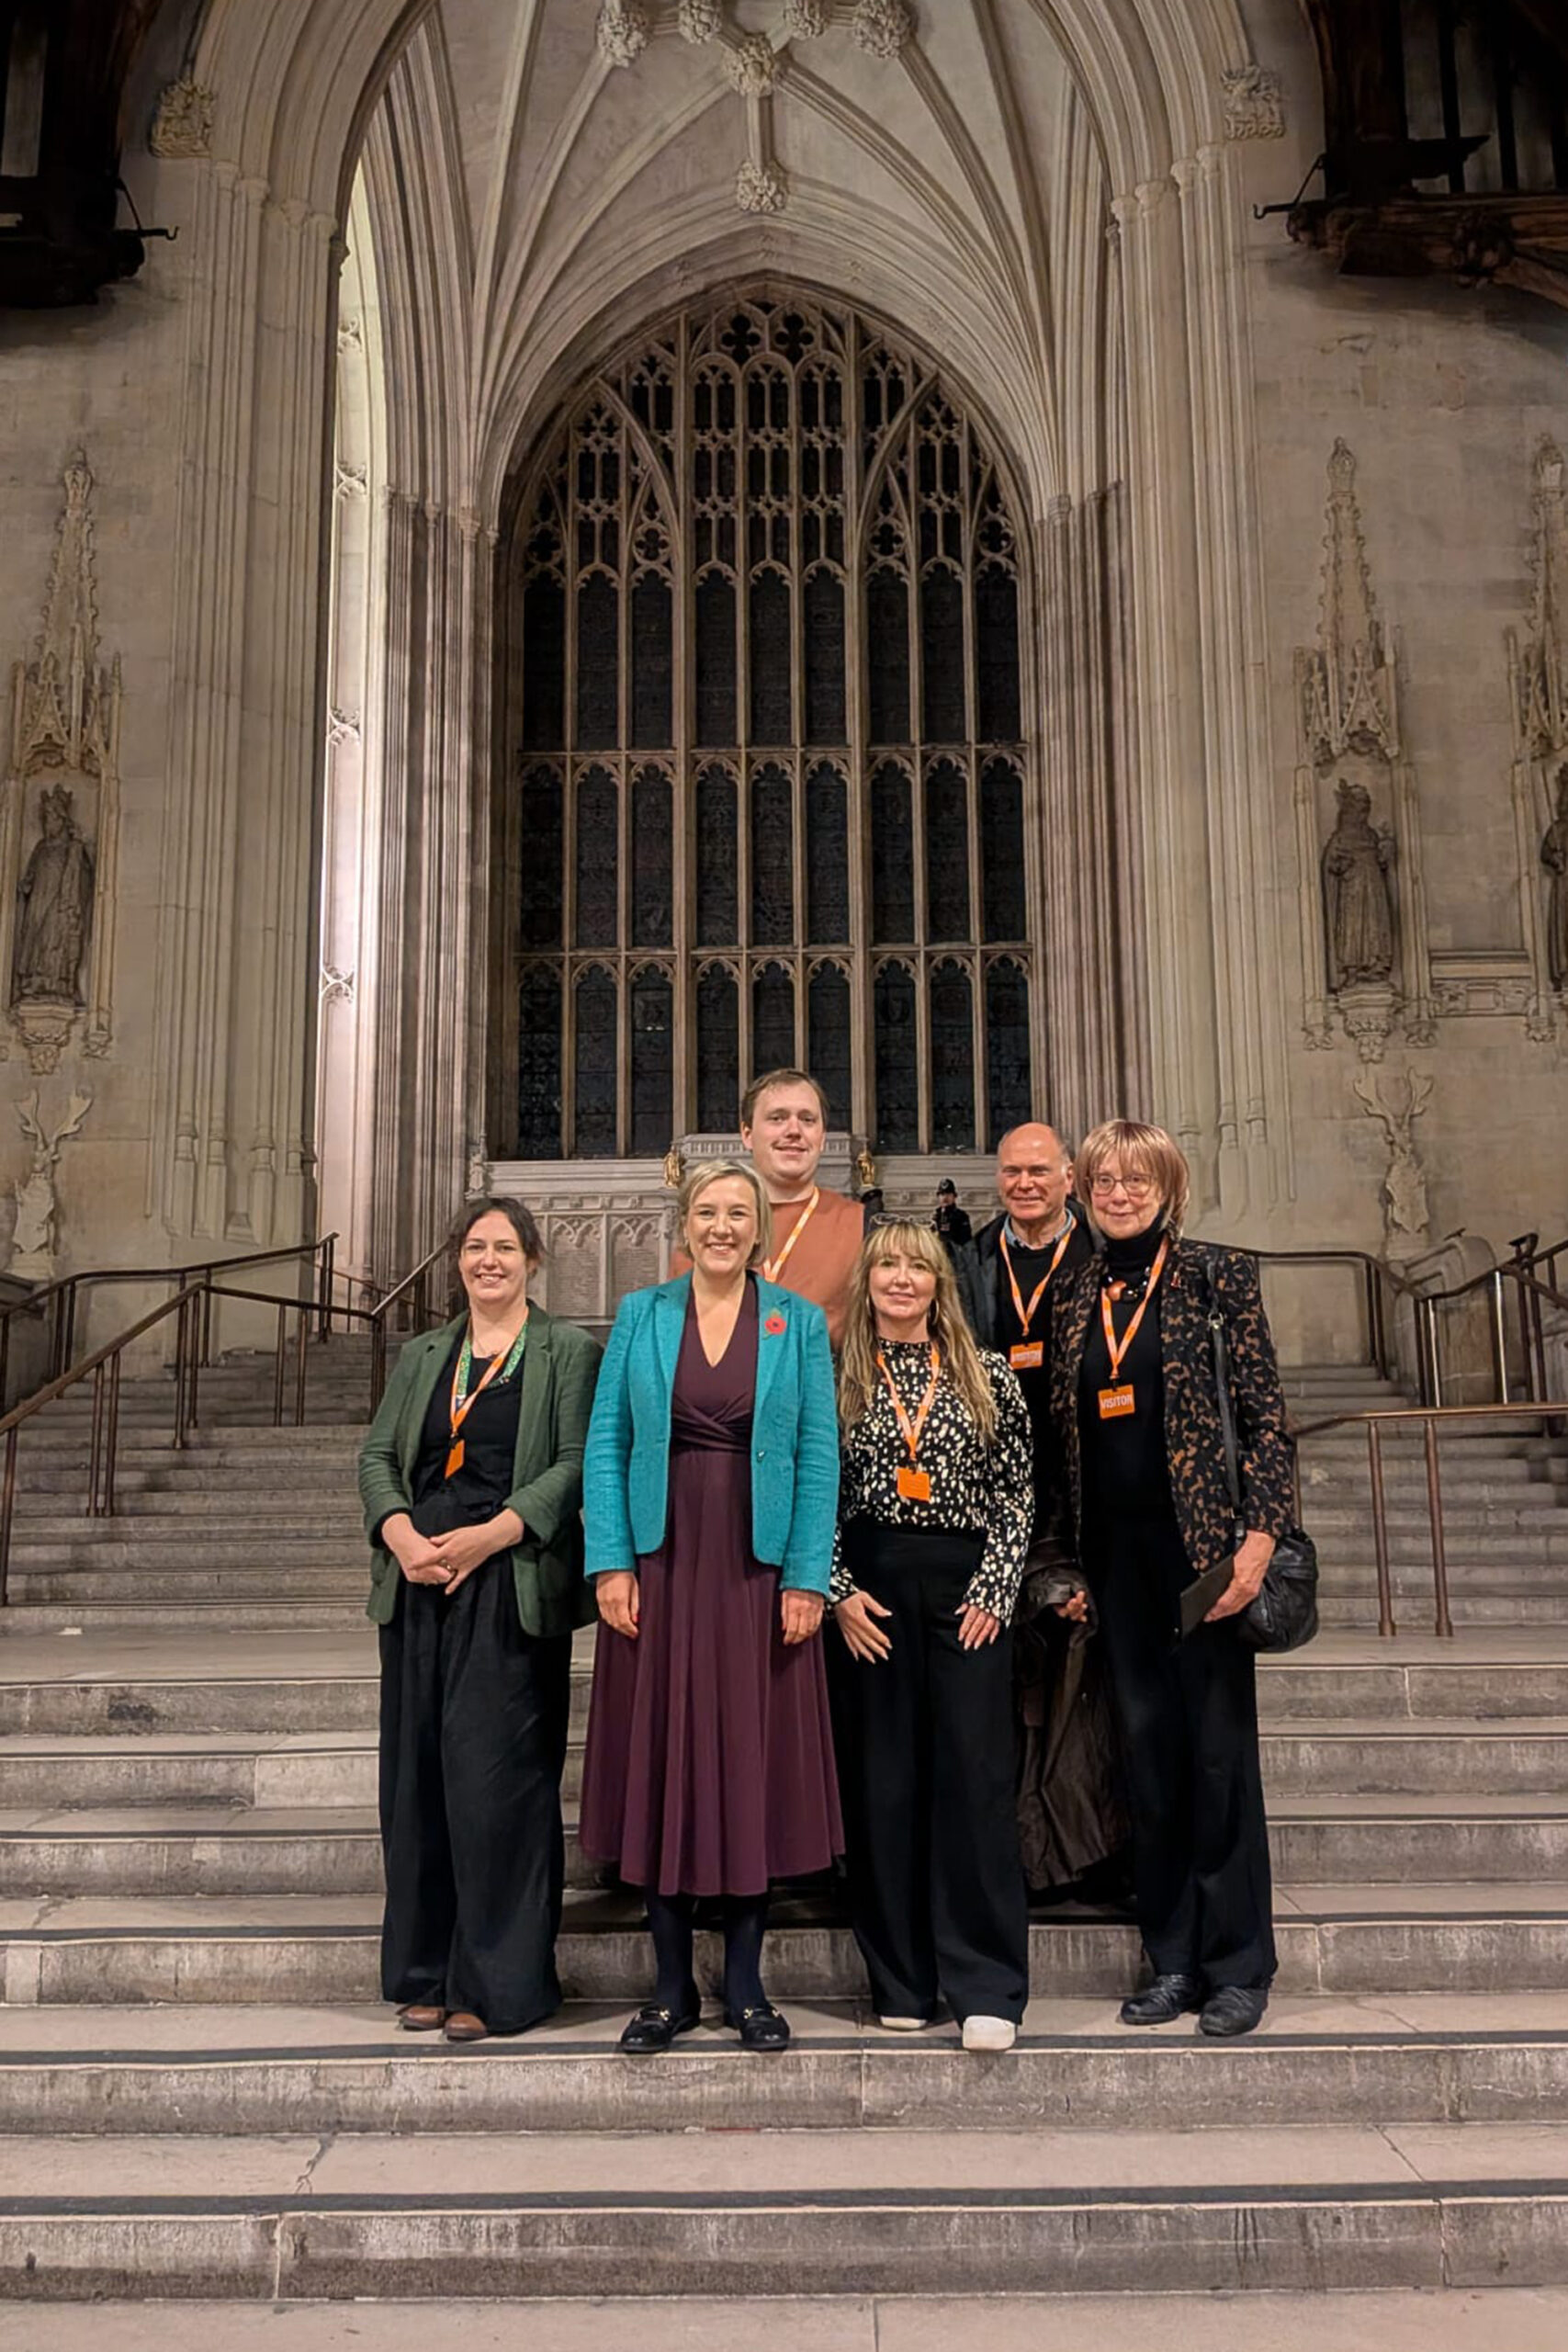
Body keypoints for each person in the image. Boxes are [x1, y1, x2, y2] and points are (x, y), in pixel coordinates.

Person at [580, 1159, 841, 2054]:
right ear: (683, 1224)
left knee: (746, 1763)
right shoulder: (641, 1315)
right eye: (707, 1211)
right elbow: (608, 1441)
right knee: (661, 1758)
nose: (722, 1226)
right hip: (659, 1564)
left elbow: (818, 1452)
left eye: (738, 1212)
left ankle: (745, 1985)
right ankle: (668, 1990)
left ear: (759, 1226)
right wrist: (610, 1562)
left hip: (755, 1571)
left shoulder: (796, 1321)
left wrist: (806, 1575)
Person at [1050, 1121, 1294, 2039]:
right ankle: (1174, 1958)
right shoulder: (1074, 1291)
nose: (1119, 1195)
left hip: (1206, 1560)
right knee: (1147, 1761)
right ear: (1084, 1191)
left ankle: (1238, 1965)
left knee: (1217, 1758)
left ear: (1167, 1189)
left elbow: (1267, 1420)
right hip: (1115, 1561)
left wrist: (1257, 1544)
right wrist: (1064, 1564)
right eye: (1104, 1181)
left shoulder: (1216, 1276)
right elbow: (1058, 1437)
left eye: (1136, 1180)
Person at [357, 1197, 602, 2044]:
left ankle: (499, 1983)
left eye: (503, 1246)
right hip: (419, 1580)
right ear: (456, 1260)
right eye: (473, 1247)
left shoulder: (568, 1351)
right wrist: (398, 1531)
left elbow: (575, 1462)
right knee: (418, 1780)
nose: (487, 1260)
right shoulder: (426, 1353)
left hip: (508, 1580)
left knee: (496, 1787)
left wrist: (497, 1532)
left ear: (533, 1260)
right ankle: (427, 1970)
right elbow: (378, 1456)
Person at [830, 1222, 1033, 2052]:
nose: (901, 1278)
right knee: (883, 1784)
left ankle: (985, 1984)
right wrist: (838, 1591)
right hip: (870, 1592)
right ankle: (901, 1979)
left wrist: (994, 1587)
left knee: (973, 1780)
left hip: (966, 1591)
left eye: (917, 1265)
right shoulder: (836, 1375)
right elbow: (811, 1486)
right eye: (887, 1264)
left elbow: (1017, 1491)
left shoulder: (987, 1373)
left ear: (939, 1282)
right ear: (867, 1280)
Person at [955, 1125, 1120, 1897]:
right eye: (1012, 1171)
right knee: (1008, 1680)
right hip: (992, 1487)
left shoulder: (1101, 1255)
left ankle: (1088, 1852)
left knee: (1082, 1682)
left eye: (1039, 1171)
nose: (1024, 1183)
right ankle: (1017, 1852)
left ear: (1069, 1177)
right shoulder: (972, 1259)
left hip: (1083, 1489)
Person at [674, 1069, 864, 1347]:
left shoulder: (861, 1225)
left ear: (822, 1138)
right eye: (777, 1118)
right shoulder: (706, 1231)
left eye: (807, 1120)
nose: (794, 1131)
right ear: (747, 1134)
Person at [932, 1179, 972, 1258]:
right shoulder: (936, 1216)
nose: (945, 1197)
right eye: (942, 1194)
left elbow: (966, 1241)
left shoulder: (961, 1216)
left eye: (948, 1194)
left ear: (954, 1196)